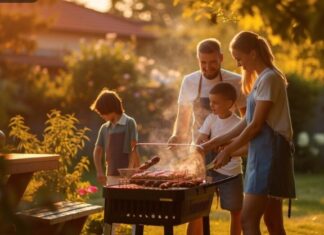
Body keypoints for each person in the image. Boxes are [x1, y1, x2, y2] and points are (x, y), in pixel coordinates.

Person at [200, 31, 296, 235]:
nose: (238, 64)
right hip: (261, 155)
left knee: (248, 219)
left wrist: (229, 150)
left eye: (239, 58)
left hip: (271, 155)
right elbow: (247, 120)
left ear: (253, 53)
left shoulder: (270, 78)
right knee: (272, 223)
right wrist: (215, 142)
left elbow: (256, 126)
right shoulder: (262, 79)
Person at [168, 38, 246, 146]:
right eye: (203, 62)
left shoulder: (237, 81)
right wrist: (176, 137)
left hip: (227, 147)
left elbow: (246, 118)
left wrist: (238, 144)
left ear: (221, 58)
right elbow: (183, 120)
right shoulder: (189, 81)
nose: (208, 67)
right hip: (198, 148)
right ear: (198, 60)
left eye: (213, 62)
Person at [194, 82, 247, 235]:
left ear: (229, 103)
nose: (212, 105)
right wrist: (198, 146)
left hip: (231, 174)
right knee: (201, 208)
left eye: (216, 102)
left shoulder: (238, 123)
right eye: (210, 101)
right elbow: (201, 138)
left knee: (236, 210)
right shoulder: (211, 119)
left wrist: (229, 152)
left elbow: (245, 149)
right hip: (209, 172)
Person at [90, 88, 140, 186]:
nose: (101, 115)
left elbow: (134, 148)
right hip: (111, 176)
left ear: (109, 108)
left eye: (102, 112)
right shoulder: (104, 128)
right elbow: (97, 151)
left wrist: (135, 170)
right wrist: (99, 171)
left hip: (128, 176)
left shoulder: (129, 123)